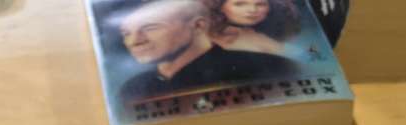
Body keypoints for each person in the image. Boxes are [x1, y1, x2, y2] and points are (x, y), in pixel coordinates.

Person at [117, 0, 300, 104]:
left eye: (150, 28)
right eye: (126, 34)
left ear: (198, 25)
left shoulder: (273, 68)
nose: (134, 42)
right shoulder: (132, 88)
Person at [204, 0, 301, 56]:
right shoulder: (209, 37)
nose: (252, 10)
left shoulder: (274, 33)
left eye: (260, 4)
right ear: (220, 7)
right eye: (240, 4)